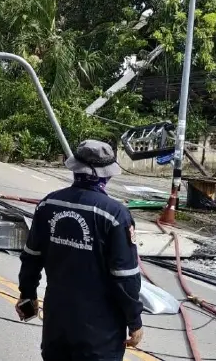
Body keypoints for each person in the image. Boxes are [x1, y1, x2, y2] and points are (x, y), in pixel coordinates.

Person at [16, 140, 144, 360]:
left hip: (57, 322)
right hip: (100, 331)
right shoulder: (114, 215)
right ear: (106, 175)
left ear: (75, 169)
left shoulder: (48, 205)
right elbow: (125, 276)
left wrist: (27, 295)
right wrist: (134, 321)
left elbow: (31, 257)